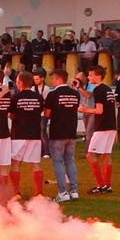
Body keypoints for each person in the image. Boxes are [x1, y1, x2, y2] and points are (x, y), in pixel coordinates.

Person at [43, 69, 81, 202]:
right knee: (70, 160)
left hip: (57, 132)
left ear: (59, 79)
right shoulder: (75, 93)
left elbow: (47, 114)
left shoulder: (52, 94)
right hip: (71, 131)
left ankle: (63, 192)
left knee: (58, 162)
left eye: (53, 79)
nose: (51, 81)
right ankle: (74, 191)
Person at [79, 66, 118, 194]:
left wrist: (85, 110)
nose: (89, 78)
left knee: (90, 155)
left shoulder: (98, 90)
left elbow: (99, 110)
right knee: (106, 155)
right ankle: (107, 185)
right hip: (111, 125)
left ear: (98, 76)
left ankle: (100, 185)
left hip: (102, 127)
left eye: (90, 75)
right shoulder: (108, 89)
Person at [8, 71, 45, 198]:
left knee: (16, 164)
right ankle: (39, 192)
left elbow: (11, 115)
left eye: (17, 81)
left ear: (21, 83)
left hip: (19, 134)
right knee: (35, 163)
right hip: (34, 134)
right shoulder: (39, 97)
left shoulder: (15, 98)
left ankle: (16, 192)